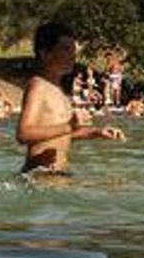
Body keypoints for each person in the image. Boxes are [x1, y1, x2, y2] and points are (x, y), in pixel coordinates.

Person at [16, 22, 125, 175]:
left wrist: (96, 132)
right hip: (40, 177)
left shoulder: (60, 91)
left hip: (57, 175)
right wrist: (68, 126)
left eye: (74, 50)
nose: (73, 55)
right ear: (45, 53)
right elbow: (23, 133)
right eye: (66, 49)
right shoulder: (38, 86)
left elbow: (61, 136)